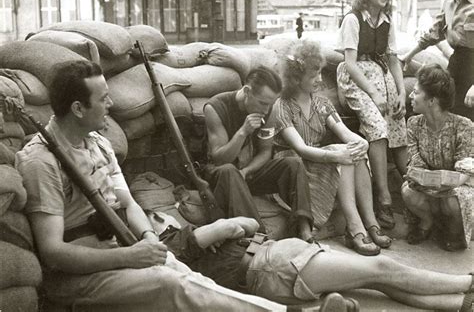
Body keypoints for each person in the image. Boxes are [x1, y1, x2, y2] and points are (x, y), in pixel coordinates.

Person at [14, 60, 286, 311]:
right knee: (172, 285)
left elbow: (128, 203)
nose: (111, 103)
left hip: (120, 246)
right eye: (103, 98)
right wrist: (130, 257)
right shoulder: (42, 161)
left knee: (191, 278)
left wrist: (148, 238)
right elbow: (53, 253)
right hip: (78, 276)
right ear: (77, 108)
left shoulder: (99, 144)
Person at [147, 211, 474, 312]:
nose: (168, 217)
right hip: (273, 263)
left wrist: (226, 229)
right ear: (156, 227)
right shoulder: (174, 242)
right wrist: (219, 229)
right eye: (158, 216)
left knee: (372, 280)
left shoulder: (185, 243)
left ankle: (460, 303)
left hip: (269, 270)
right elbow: (237, 225)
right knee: (381, 268)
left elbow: (248, 223)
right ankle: (467, 282)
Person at [270, 39, 391, 256]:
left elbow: (344, 132)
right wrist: (337, 154)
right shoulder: (282, 106)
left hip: (317, 161)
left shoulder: (322, 103)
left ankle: (370, 223)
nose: (319, 79)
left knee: (355, 153)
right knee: (340, 155)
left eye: (320, 73)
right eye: (313, 75)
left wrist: (359, 143)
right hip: (293, 167)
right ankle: (355, 228)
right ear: (296, 79)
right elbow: (300, 149)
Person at [203, 66, 314, 242]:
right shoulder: (215, 108)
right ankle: (259, 238)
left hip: (245, 172)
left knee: (293, 163)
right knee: (229, 170)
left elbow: (265, 151)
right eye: (262, 103)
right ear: (247, 91)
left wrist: (247, 171)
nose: (266, 109)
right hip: (220, 175)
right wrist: (243, 132)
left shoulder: (269, 110)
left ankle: (305, 230)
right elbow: (219, 158)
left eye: (270, 103)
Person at [336, 0, 407, 230]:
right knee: (377, 127)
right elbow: (350, 64)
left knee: (399, 123)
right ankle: (384, 198)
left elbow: (393, 59)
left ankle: (412, 186)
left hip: (381, 73)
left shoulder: (387, 20)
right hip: (357, 78)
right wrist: (374, 94)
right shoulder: (353, 19)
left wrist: (401, 92)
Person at [401, 64, 473, 251]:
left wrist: (440, 181)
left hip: (459, 185)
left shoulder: (464, 126)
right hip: (430, 184)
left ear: (431, 100)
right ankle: (428, 222)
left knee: (452, 199)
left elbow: (464, 173)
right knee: (408, 191)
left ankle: (456, 232)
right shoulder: (413, 123)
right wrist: (419, 176)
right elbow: (415, 160)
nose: (411, 96)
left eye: (416, 92)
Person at [400, 0, 474, 121]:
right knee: (450, 115)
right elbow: (435, 32)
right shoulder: (449, 0)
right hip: (457, 64)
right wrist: (409, 56)